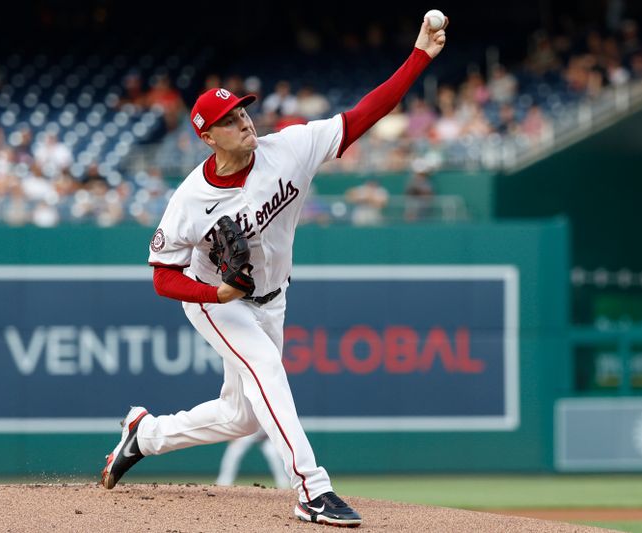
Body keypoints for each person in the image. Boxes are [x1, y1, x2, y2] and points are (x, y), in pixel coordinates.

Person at [100, 13, 448, 529]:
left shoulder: (289, 149)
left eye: (244, 112)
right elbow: (161, 275)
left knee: (242, 415)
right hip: (217, 300)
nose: (245, 122)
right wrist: (214, 294)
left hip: (272, 297)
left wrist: (419, 54)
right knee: (267, 368)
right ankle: (311, 488)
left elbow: (364, 114)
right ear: (208, 137)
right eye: (231, 120)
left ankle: (144, 435)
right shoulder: (190, 201)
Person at [216, 428, 291, 489]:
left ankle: (284, 483)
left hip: (265, 435)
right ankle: (223, 482)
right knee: (233, 453)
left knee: (274, 455)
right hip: (247, 433)